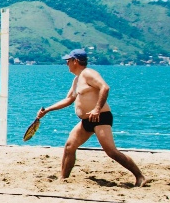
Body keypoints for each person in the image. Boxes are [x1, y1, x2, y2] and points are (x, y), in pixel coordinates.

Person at [32, 49, 145, 186]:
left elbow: (105, 87)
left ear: (76, 61)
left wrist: (97, 109)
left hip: (100, 117)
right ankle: (63, 178)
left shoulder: (88, 73)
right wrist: (48, 110)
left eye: (68, 60)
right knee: (69, 146)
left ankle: (140, 177)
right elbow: (69, 99)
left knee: (111, 151)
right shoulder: (77, 79)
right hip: (87, 120)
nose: (66, 63)